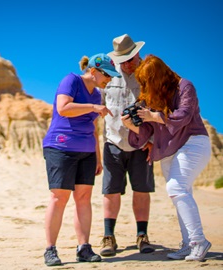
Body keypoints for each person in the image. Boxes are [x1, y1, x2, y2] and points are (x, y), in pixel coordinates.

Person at [122, 54, 212, 262]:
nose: (145, 86)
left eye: (148, 81)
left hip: (193, 142)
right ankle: (188, 243)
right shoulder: (150, 97)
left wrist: (155, 116)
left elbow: (184, 116)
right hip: (170, 149)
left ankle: (199, 241)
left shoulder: (184, 86)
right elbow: (144, 134)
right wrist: (132, 125)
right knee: (181, 192)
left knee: (176, 188)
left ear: (159, 76)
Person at [42, 53, 120, 266]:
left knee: (83, 198)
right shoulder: (71, 80)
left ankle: (83, 248)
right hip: (60, 146)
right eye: (107, 75)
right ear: (93, 71)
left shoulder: (96, 94)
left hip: (86, 151)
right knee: (59, 197)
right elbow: (63, 108)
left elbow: (93, 128)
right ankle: (50, 249)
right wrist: (93, 108)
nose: (109, 80)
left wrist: (97, 156)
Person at [99, 34, 155, 257]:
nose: (128, 64)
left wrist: (152, 141)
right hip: (113, 142)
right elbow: (99, 110)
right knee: (111, 191)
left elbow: (157, 111)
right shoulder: (108, 76)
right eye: (123, 60)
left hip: (142, 145)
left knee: (142, 190)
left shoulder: (148, 77)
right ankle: (108, 237)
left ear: (138, 54)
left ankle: (142, 236)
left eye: (131, 59)